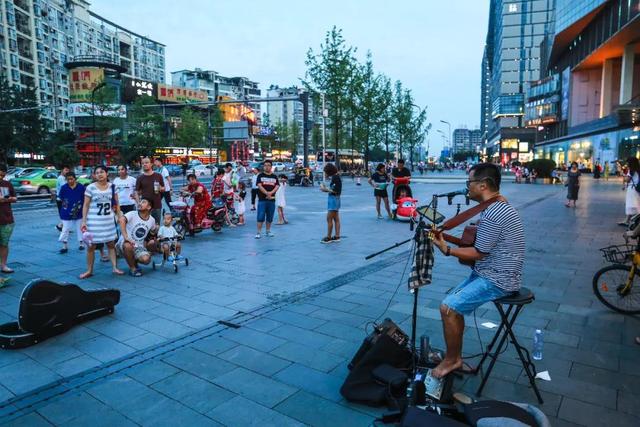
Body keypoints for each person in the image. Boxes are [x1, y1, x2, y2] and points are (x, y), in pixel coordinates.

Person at [431, 163, 524, 378]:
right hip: (490, 272)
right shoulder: (497, 206)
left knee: (448, 308)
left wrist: (447, 250)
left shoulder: (494, 212)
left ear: (482, 185)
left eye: (469, 183)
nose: (467, 187)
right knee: (451, 307)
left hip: (500, 279)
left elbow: (479, 253)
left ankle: (452, 360)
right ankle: (455, 358)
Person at [80, 166, 124, 279]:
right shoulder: (90, 188)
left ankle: (114, 267)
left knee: (111, 245)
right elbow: (86, 205)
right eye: (97, 173)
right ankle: (89, 270)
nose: (100, 174)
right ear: (94, 175)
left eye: (102, 172)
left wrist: (119, 216)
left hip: (108, 221)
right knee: (91, 247)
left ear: (107, 173)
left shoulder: (112, 187)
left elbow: (117, 204)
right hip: (93, 222)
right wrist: (83, 221)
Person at [117, 198, 157, 277]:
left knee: (146, 260)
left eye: (143, 202)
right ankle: (133, 268)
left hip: (138, 246)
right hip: (124, 244)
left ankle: (133, 260)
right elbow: (121, 220)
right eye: (140, 201)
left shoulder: (152, 220)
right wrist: (126, 237)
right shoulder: (132, 214)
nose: (140, 203)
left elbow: (153, 232)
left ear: (149, 207)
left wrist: (156, 233)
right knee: (128, 246)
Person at [57, 172, 86, 254]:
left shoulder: (81, 187)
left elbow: (85, 199)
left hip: (79, 210)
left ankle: (81, 243)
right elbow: (61, 198)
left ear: (75, 179)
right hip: (66, 212)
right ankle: (64, 245)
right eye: (68, 179)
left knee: (80, 228)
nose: (70, 181)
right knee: (65, 229)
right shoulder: (64, 187)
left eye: (71, 179)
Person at [135, 157, 164, 225]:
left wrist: (161, 188)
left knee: (156, 226)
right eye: (142, 163)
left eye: (146, 162)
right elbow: (136, 191)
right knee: (144, 226)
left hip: (157, 205)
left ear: (151, 164)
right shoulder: (140, 177)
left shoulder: (158, 175)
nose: (144, 164)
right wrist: (138, 202)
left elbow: (163, 188)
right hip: (144, 207)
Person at [255, 160, 279, 239]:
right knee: (260, 216)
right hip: (262, 199)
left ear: (271, 167)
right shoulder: (260, 176)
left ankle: (268, 231)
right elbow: (259, 185)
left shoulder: (274, 176)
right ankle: (258, 232)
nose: (267, 167)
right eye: (265, 165)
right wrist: (267, 193)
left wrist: (271, 193)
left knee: (270, 216)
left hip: (271, 200)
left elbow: (277, 186)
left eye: (268, 165)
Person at [0, 165, 17, 274]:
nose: (1, 177)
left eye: (3, 175)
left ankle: (4, 265)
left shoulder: (7, 184)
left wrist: (8, 199)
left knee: (4, 243)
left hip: (7, 219)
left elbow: (15, 198)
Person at [320, 163, 342, 243]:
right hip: (335, 199)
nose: (325, 174)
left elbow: (335, 191)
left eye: (326, 172)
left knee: (329, 218)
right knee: (336, 218)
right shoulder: (335, 177)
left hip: (333, 199)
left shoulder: (335, 178)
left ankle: (328, 237)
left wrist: (324, 189)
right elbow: (334, 189)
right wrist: (326, 188)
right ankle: (337, 236)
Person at [620, 157, 640, 226]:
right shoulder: (638, 169)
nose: (627, 163)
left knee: (631, 205)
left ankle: (631, 221)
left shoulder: (631, 170)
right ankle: (627, 220)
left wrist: (623, 176)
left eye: (628, 162)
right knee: (634, 204)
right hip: (636, 189)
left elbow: (627, 180)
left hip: (632, 189)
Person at [54, 165, 70, 231]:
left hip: (64, 199)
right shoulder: (61, 178)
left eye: (68, 170)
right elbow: (65, 187)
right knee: (65, 214)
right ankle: (60, 226)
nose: (67, 172)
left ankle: (63, 227)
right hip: (61, 200)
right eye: (66, 170)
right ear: (62, 170)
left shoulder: (64, 178)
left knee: (66, 214)